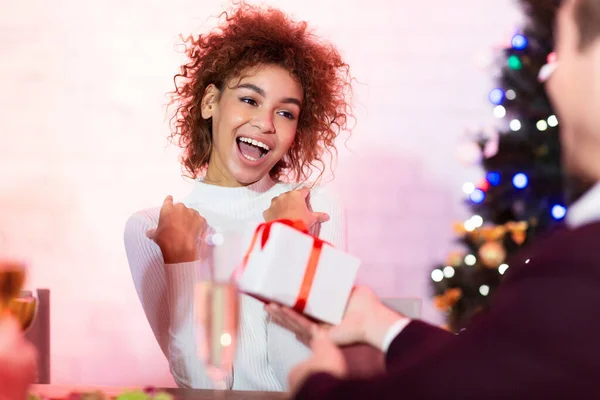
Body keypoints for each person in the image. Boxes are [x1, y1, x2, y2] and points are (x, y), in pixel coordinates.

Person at [265, 0, 600, 397]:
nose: (550, 81)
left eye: (561, 55)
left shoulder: (581, 265)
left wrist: (314, 385)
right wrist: (382, 325)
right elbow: (493, 370)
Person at [123, 3, 353, 391]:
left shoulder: (317, 209)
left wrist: (288, 239)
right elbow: (202, 386)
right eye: (249, 100)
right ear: (211, 102)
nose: (265, 124)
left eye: (286, 113)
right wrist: (182, 260)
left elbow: (304, 380)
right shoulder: (151, 229)